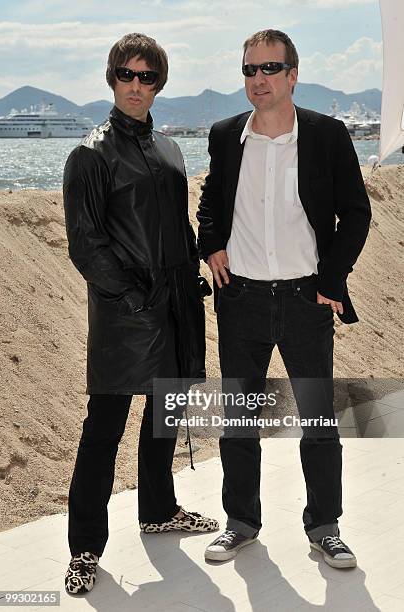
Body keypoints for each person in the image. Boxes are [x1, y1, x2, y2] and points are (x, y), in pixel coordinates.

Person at [197, 29, 371, 569]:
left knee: (318, 421)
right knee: (239, 422)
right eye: (250, 70)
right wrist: (212, 246)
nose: (258, 80)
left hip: (305, 301)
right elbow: (210, 203)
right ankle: (241, 523)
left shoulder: (327, 135)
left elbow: (356, 214)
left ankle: (326, 526)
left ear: (293, 75)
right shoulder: (226, 135)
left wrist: (331, 280)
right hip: (240, 300)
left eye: (270, 68)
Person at [62, 32, 218, 595]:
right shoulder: (90, 152)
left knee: (164, 417)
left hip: (176, 306)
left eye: (147, 77)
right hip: (126, 312)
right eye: (127, 75)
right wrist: (132, 298)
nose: (136, 86)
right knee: (103, 430)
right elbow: (85, 243)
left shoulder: (171, 150)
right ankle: (85, 548)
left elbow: (176, 226)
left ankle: (159, 510)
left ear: (159, 84)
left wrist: (192, 275)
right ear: (111, 78)